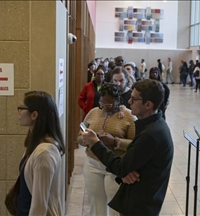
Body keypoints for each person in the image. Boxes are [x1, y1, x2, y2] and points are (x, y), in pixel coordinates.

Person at [81, 79, 174, 215]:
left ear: (148, 104)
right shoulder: (152, 125)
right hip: (140, 200)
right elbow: (131, 162)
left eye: (133, 99)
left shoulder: (151, 134)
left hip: (140, 205)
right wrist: (127, 169)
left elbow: (121, 167)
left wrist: (96, 143)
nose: (129, 102)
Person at [77, 83, 136, 216]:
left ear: (118, 100)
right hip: (93, 163)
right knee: (96, 204)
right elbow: (79, 138)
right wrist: (87, 140)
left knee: (114, 205)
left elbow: (134, 145)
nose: (105, 107)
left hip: (115, 165)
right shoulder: (93, 113)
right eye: (102, 103)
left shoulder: (129, 116)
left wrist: (115, 141)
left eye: (109, 104)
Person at [16, 90, 65, 215]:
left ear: (34, 115)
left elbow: (40, 204)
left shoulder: (44, 153)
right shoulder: (34, 144)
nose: (19, 112)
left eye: (21, 108)